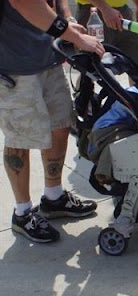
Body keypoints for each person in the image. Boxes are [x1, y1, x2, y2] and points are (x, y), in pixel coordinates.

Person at [0, 0, 105, 243]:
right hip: (14, 66)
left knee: (60, 126)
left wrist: (66, 18)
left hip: (49, 57)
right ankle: (23, 213)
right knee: (20, 138)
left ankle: (54, 197)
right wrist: (74, 37)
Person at [60, 0, 138, 77]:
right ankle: (84, 93)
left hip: (122, 10)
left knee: (136, 65)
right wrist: (105, 9)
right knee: (91, 70)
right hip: (94, 11)